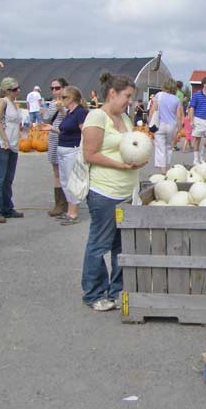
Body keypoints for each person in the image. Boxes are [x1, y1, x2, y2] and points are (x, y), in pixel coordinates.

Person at [81, 72, 144, 311]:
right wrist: (121, 165)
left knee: (121, 244)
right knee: (99, 243)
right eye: (127, 96)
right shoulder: (97, 117)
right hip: (105, 192)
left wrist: (139, 159)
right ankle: (94, 292)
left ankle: (117, 290)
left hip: (126, 191)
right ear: (112, 93)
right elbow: (90, 154)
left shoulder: (125, 119)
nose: (129, 101)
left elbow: (131, 147)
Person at [41, 86, 88, 225]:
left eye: (64, 97)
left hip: (72, 150)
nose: (60, 100)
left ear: (72, 98)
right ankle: (69, 210)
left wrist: (83, 150)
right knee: (64, 181)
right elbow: (65, 131)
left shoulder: (80, 112)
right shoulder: (69, 113)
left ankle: (73, 213)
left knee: (72, 182)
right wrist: (52, 129)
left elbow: (84, 132)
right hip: (63, 149)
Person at [0, 77, 24, 223]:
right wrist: (4, 138)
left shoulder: (15, 104)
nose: (18, 91)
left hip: (13, 145)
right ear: (7, 90)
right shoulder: (3, 102)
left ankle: (8, 208)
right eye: (15, 89)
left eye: (18, 88)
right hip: (2, 145)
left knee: (8, 179)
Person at [44, 77, 69, 217]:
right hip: (53, 138)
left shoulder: (69, 102)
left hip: (65, 138)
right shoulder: (52, 103)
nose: (54, 91)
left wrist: (63, 111)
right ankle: (59, 202)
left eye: (57, 88)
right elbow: (47, 119)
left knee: (66, 171)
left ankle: (66, 202)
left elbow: (73, 119)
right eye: (52, 88)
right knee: (57, 172)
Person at [150, 79, 183, 173]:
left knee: (160, 148)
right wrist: (179, 130)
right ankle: (167, 168)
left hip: (160, 124)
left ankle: (163, 170)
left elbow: (153, 110)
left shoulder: (159, 95)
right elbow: (179, 115)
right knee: (169, 147)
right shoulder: (176, 99)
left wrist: (150, 123)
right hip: (171, 125)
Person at [188, 76, 206, 165]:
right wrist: (191, 121)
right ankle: (196, 159)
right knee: (197, 140)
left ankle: (202, 154)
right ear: (204, 85)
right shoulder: (196, 95)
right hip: (198, 120)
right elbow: (192, 108)